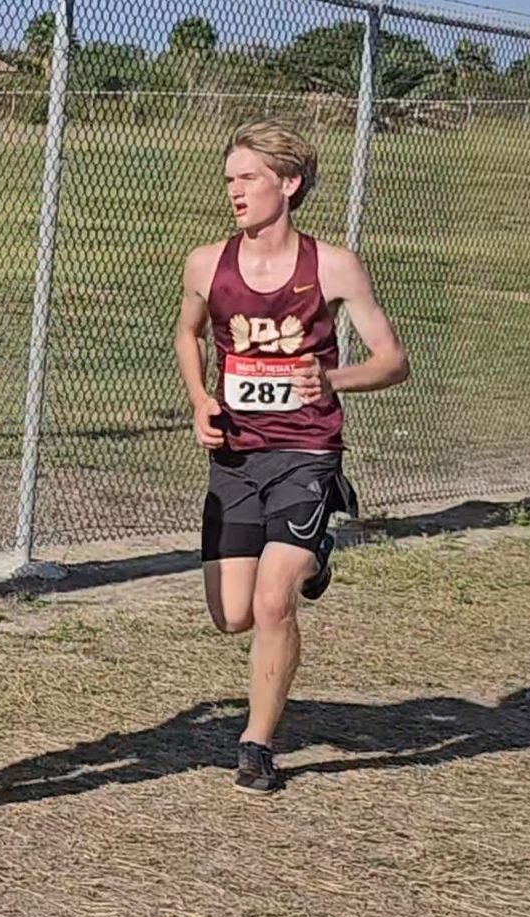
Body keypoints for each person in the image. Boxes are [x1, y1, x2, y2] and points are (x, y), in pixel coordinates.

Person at [174, 118, 410, 795]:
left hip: (306, 451)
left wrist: (332, 379)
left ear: (289, 183)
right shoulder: (205, 262)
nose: (235, 191)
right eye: (230, 179)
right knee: (234, 615)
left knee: (275, 602)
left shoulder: (333, 266)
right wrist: (199, 399)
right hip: (236, 457)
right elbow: (187, 334)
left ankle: (256, 743)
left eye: (248, 177)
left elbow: (394, 360)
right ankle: (318, 554)